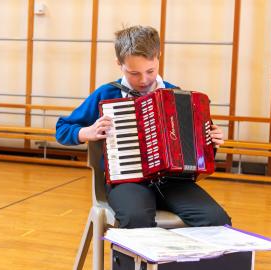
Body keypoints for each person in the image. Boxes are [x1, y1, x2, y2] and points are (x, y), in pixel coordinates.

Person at [56, 25, 231, 228]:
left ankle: (176, 260)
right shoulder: (106, 94)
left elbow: (195, 148)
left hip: (173, 181)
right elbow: (62, 129)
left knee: (216, 220)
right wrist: (88, 132)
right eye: (134, 73)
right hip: (127, 181)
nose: (144, 79)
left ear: (158, 57)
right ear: (119, 64)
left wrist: (211, 140)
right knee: (136, 219)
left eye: (150, 71)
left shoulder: (175, 95)